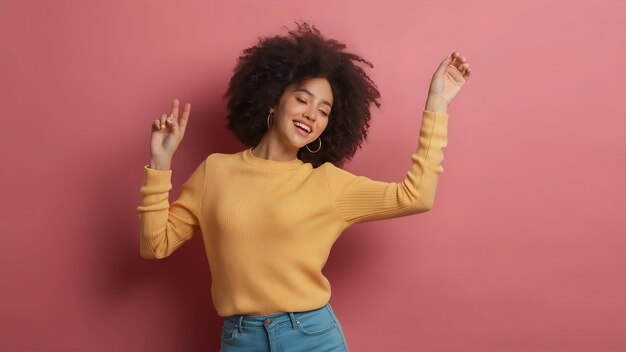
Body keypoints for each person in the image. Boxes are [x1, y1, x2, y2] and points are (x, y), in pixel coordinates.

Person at [137, 22, 471, 352]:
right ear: (272, 100)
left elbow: (416, 196)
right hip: (241, 340)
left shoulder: (326, 183)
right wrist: (160, 164)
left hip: (311, 337)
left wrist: (437, 106)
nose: (311, 114)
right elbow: (156, 245)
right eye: (302, 99)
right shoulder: (215, 172)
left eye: (323, 111)